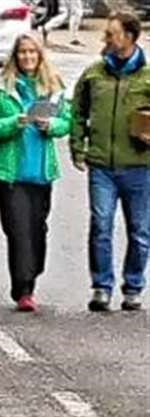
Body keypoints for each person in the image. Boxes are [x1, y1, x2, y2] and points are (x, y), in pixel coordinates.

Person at [0, 33, 72, 312]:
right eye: (22, 53)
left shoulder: (54, 86)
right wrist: (14, 122)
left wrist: (53, 125)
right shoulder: (2, 89)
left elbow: (67, 121)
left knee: (37, 231)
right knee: (18, 231)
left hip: (41, 172)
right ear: (15, 56)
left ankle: (30, 276)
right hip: (10, 174)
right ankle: (24, 288)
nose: (27, 57)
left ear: (40, 55)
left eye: (32, 52)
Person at [70, 11, 150, 312]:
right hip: (101, 165)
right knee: (101, 226)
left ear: (129, 37)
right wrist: (78, 147)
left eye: (112, 33)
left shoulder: (146, 77)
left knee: (140, 230)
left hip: (140, 166)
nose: (106, 38)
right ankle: (101, 286)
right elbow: (77, 111)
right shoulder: (94, 74)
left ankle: (133, 287)